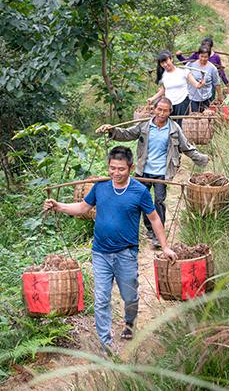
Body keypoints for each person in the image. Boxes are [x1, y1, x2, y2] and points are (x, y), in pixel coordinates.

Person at [42, 146, 178, 353]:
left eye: (121, 169)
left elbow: (154, 219)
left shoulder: (139, 191)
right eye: (112, 168)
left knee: (130, 296)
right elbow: (82, 208)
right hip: (100, 253)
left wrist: (165, 247)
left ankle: (129, 322)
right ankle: (106, 344)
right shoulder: (100, 188)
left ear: (130, 168)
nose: (116, 173)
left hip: (126, 253)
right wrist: (58, 206)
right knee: (102, 298)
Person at [97, 98, 209, 248]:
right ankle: (149, 230)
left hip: (162, 172)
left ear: (170, 112)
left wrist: (202, 159)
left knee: (159, 202)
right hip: (143, 171)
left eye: (166, 110)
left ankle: (158, 235)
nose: (162, 113)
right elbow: (126, 134)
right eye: (159, 109)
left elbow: (186, 147)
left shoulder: (174, 129)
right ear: (154, 110)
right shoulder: (145, 126)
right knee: (141, 201)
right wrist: (111, 130)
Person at [147, 50, 204, 127]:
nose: (165, 64)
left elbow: (196, 85)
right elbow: (164, 89)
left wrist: (200, 83)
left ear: (171, 59)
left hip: (182, 102)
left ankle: (181, 139)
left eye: (166, 61)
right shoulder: (163, 75)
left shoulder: (183, 71)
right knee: (168, 125)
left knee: (180, 126)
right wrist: (152, 98)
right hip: (168, 104)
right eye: (162, 63)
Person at [183, 45, 222, 113]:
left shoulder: (212, 68)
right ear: (198, 55)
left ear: (209, 56)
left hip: (207, 97)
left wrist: (219, 96)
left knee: (207, 116)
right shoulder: (191, 65)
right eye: (202, 56)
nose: (203, 59)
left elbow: (217, 83)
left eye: (206, 57)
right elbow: (184, 75)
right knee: (196, 117)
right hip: (193, 97)